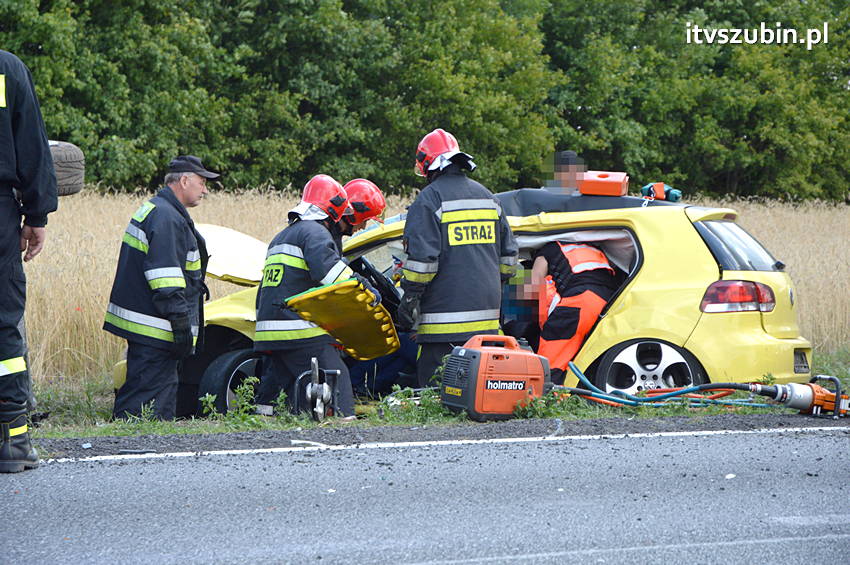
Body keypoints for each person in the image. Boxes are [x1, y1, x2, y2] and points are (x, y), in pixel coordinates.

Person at [398, 128, 518, 387]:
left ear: (428, 165)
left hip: (443, 324)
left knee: (437, 394)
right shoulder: (488, 197)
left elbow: (422, 267)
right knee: (475, 393)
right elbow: (509, 261)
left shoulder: (429, 201)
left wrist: (408, 301)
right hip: (486, 321)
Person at [253, 175, 381, 418]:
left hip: (269, 328)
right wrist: (363, 285)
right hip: (296, 325)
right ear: (332, 209)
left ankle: (265, 418)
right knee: (337, 373)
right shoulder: (315, 232)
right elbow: (331, 273)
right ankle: (346, 423)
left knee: (287, 381)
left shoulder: (283, 235)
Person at [104, 156, 216, 420]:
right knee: (148, 396)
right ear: (184, 180)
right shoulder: (167, 218)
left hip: (146, 321)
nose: (205, 189)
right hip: (156, 325)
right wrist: (179, 322)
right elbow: (165, 278)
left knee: (149, 389)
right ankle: (133, 447)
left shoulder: (157, 210)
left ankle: (140, 445)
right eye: (201, 182)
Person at [0, 50, 58, 473]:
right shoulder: (7, 68)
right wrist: (36, 215)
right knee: (3, 325)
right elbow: (32, 145)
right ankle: (13, 441)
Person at [533, 241, 619, 384]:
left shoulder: (547, 250)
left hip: (581, 299)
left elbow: (534, 288)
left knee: (552, 357)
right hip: (609, 300)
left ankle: (549, 398)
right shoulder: (591, 247)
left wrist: (544, 327)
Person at [329, 178, 387, 251]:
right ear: (353, 215)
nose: (363, 227)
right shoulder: (328, 241)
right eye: (364, 221)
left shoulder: (331, 234)